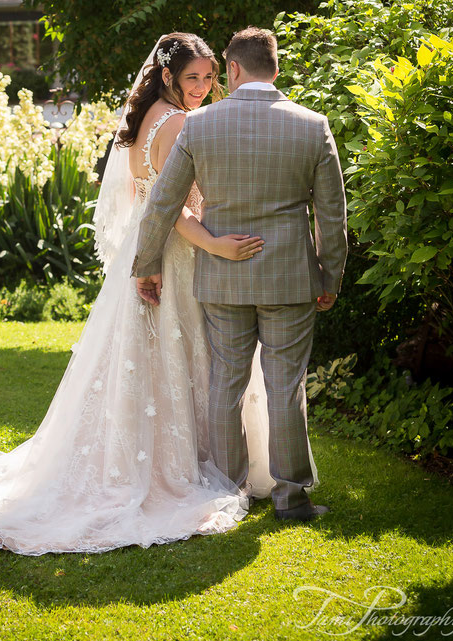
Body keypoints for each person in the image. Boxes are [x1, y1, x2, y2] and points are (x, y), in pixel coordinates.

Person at [0, 32, 315, 554]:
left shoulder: (144, 124)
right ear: (168, 76)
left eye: (210, 76)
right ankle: (196, 470)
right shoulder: (181, 124)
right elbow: (170, 210)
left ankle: (173, 461)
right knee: (196, 361)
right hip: (181, 253)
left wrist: (147, 258)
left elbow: (139, 195)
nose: (203, 86)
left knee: (161, 363)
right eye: (193, 77)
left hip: (147, 258)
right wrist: (213, 241)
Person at [134, 27, 347, 523]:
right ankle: (291, 498)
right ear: (274, 66)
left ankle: (228, 493)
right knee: (284, 387)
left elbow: (162, 202)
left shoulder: (200, 125)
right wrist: (329, 277)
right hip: (290, 279)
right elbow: (331, 216)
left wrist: (145, 265)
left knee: (225, 384)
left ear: (232, 68)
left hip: (222, 278)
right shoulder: (313, 125)